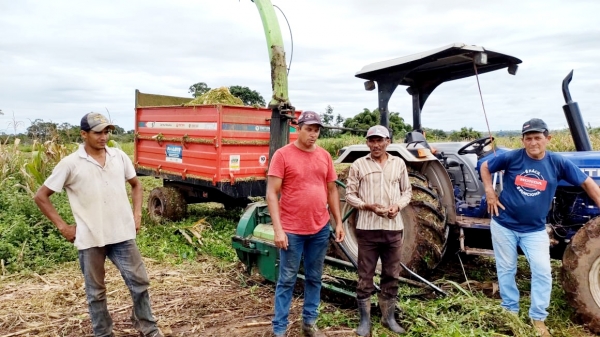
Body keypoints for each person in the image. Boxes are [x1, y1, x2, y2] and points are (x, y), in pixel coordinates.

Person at [34, 112, 163, 337]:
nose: (103, 137)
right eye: (97, 132)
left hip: (122, 234)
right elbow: (41, 196)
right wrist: (63, 227)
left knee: (139, 282)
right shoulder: (71, 164)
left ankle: (148, 327)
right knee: (96, 292)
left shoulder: (119, 157)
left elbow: (136, 185)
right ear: (84, 134)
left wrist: (137, 215)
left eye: (106, 132)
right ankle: (103, 333)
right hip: (91, 237)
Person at [481, 118, 600, 337]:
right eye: (529, 138)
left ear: (548, 138)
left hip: (534, 229)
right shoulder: (512, 156)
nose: (533, 142)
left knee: (543, 272)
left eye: (537, 137)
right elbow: (486, 165)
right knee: (507, 270)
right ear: (522, 140)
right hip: (504, 225)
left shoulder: (557, 162)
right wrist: (489, 190)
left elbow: (587, 182)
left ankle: (538, 318)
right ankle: (510, 311)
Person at [267, 111, 345, 337]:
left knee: (314, 277)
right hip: (292, 231)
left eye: (316, 130)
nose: (313, 134)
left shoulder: (324, 156)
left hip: (319, 229)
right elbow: (272, 194)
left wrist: (338, 222)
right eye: (308, 129)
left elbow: (332, 190)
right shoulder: (282, 155)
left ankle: (309, 323)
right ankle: (279, 329)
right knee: (287, 280)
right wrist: (278, 230)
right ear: (297, 128)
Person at [345, 125, 412, 336]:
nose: (376, 145)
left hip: (393, 229)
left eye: (380, 140)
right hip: (367, 229)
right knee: (365, 275)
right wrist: (368, 206)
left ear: (387, 142)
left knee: (391, 273)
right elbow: (349, 195)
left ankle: (388, 318)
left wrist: (398, 207)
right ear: (367, 143)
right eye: (372, 141)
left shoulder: (398, 163)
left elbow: (407, 192)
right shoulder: (358, 164)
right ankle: (364, 321)